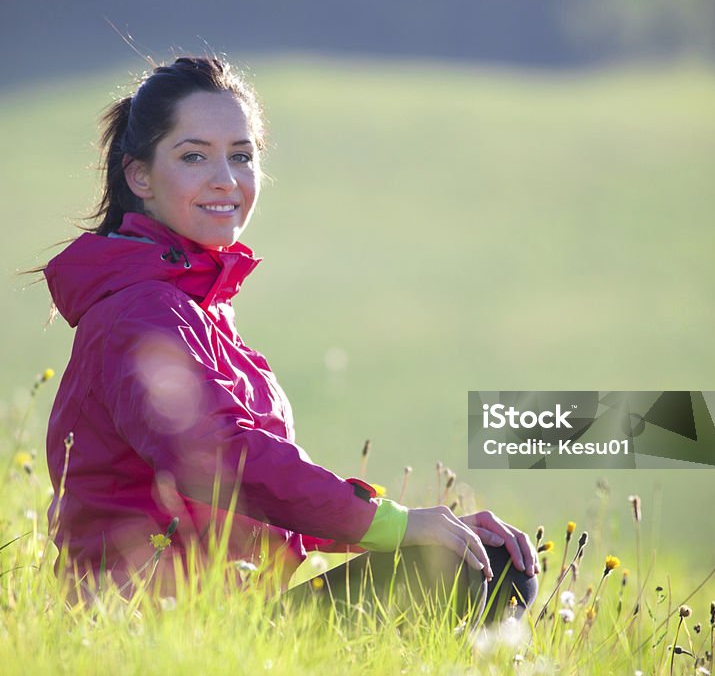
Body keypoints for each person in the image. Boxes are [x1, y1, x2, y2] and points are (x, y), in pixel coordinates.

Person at [43, 56, 537, 620]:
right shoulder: (140, 312)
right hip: (150, 632)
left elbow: (267, 499)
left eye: (242, 156)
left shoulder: (195, 310)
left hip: (229, 619)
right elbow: (223, 461)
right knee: (470, 573)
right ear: (140, 176)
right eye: (194, 156)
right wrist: (398, 525)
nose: (225, 179)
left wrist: (416, 527)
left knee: (489, 561)